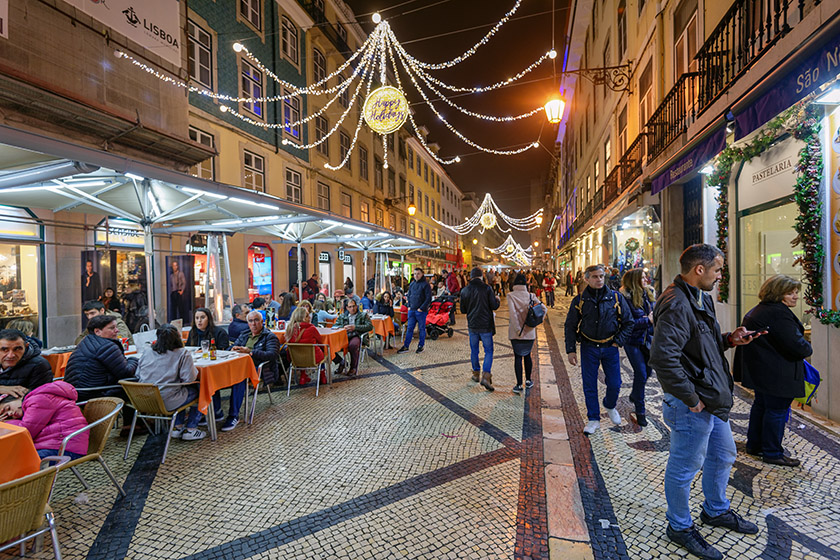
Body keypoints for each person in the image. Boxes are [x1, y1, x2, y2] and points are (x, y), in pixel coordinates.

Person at [649, 244, 761, 560]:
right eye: (717, 270)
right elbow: (662, 357)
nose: (719, 275)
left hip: (708, 396)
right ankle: (680, 526)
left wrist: (729, 339)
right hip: (692, 401)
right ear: (700, 269)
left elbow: (700, 344)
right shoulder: (676, 303)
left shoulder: (700, 298)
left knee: (723, 453)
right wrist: (690, 398)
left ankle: (715, 510)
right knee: (685, 467)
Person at [734, 274, 812, 467]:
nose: (795, 297)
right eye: (790, 293)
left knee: (762, 407)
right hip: (777, 373)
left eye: (796, 293)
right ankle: (772, 452)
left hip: (763, 372)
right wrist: (807, 348)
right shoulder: (778, 313)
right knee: (776, 411)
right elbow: (797, 346)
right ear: (778, 294)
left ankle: (756, 445)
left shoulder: (759, 310)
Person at [564, 264, 633, 434]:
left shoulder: (615, 298)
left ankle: (610, 405)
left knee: (615, 383)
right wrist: (571, 349)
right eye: (595, 277)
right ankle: (593, 419)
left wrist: (619, 341)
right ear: (587, 279)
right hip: (589, 347)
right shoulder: (580, 300)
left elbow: (629, 322)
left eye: (601, 276)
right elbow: (570, 325)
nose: (599, 279)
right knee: (589, 384)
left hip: (610, 347)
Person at [64, 314, 140, 433]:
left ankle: (132, 424)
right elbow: (126, 372)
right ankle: (132, 425)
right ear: (97, 331)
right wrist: (133, 359)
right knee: (132, 384)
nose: (117, 330)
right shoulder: (107, 346)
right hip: (93, 394)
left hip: (77, 392)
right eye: (112, 328)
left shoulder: (86, 342)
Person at [136, 324, 205, 441]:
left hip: (144, 400)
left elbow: (138, 374)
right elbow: (190, 379)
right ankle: (191, 429)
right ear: (178, 337)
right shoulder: (182, 353)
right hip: (167, 401)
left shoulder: (147, 352)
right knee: (200, 390)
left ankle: (177, 427)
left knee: (178, 391)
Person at [1, 381, 89, 460]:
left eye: (7, 408)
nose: (10, 413)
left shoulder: (38, 400)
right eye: (5, 415)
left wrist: (5, 423)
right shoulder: (38, 399)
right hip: (61, 444)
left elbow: (26, 431)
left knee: (16, 462)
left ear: (17, 396)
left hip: (65, 448)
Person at [228, 311, 281, 432]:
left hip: (260, 368)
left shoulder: (269, 336)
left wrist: (251, 352)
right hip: (240, 366)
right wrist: (233, 349)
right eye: (250, 321)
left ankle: (233, 416)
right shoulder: (244, 335)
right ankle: (216, 413)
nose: (254, 323)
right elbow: (234, 347)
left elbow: (273, 354)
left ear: (262, 322)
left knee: (239, 379)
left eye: (256, 320)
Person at [620, 268, 656, 427]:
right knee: (641, 373)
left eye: (645, 277)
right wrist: (647, 321)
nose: (646, 280)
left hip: (647, 339)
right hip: (632, 341)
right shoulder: (624, 299)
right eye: (642, 278)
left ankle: (635, 394)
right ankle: (640, 411)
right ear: (634, 280)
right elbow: (626, 324)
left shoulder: (648, 295)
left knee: (648, 371)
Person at [459, 267, 500, 391]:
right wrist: (497, 300)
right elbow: (494, 305)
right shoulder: (487, 288)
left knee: (474, 350)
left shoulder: (465, 290)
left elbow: (462, 310)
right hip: (486, 325)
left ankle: (476, 374)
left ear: (470, 277)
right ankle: (486, 376)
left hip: (472, 325)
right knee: (488, 351)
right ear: (481, 276)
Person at [508, 274, 545, 394]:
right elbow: (544, 309)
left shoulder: (511, 296)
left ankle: (519, 384)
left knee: (518, 357)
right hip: (529, 332)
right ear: (525, 284)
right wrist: (537, 321)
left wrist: (518, 330)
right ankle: (528, 381)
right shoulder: (531, 296)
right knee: (528, 355)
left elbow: (513, 315)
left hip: (516, 333)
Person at [0, 328, 52, 397]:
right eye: (4, 350)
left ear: (26, 347)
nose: (10, 355)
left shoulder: (38, 365)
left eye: (17, 349)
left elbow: (40, 399)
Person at [285, 307, 326, 385]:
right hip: (313, 358)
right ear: (302, 318)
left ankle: (303, 377)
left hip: (296, 359)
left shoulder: (290, 329)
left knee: (300, 352)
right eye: (307, 315)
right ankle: (322, 376)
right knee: (322, 351)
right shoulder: (312, 329)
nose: (310, 317)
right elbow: (320, 341)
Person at [332, 298, 373, 376]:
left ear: (356, 306)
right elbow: (335, 326)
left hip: (357, 335)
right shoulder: (343, 316)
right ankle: (341, 362)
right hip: (344, 336)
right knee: (330, 345)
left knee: (353, 345)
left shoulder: (363, 315)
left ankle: (353, 367)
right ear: (347, 308)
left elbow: (370, 326)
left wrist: (355, 327)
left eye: (353, 306)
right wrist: (343, 327)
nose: (352, 308)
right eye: (350, 307)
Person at [397, 268, 432, 354]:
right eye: (415, 273)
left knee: (421, 329)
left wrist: (421, 308)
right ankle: (406, 346)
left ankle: (421, 346)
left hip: (420, 311)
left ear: (422, 274)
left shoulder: (425, 285)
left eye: (418, 273)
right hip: (411, 310)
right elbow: (408, 295)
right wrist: (408, 306)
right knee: (409, 329)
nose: (416, 275)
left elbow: (428, 298)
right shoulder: (412, 284)